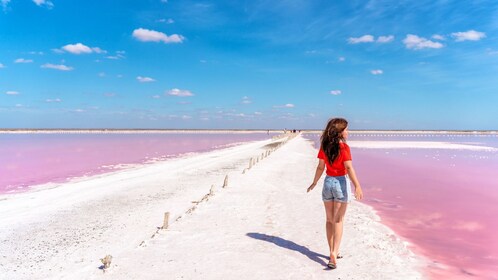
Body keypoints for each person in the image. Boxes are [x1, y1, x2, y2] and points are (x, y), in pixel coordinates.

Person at [307, 117, 363, 269]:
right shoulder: (344, 148)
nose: (348, 132)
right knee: (338, 220)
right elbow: (349, 168)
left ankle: (332, 250)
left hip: (327, 183)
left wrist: (314, 182)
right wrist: (357, 185)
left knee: (329, 220)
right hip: (340, 183)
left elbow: (320, 167)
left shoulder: (325, 146)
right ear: (339, 132)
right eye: (346, 129)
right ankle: (334, 253)